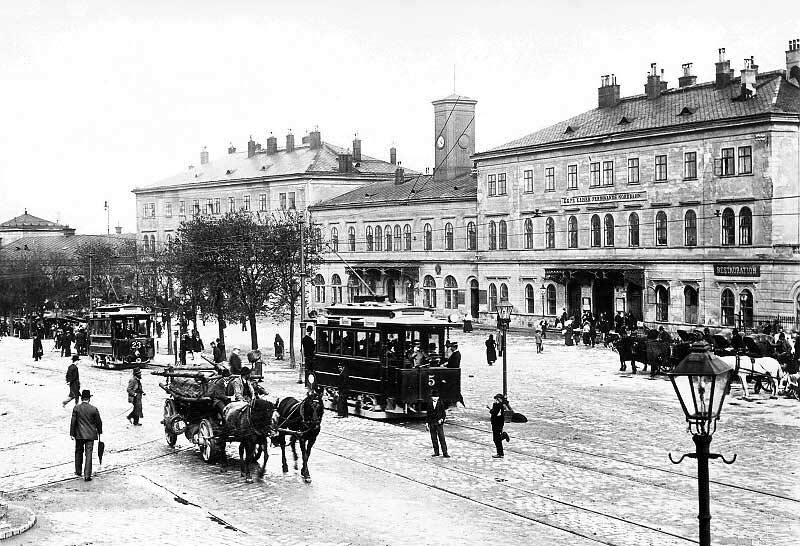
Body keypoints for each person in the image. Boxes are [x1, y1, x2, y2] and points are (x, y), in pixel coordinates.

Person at [70, 389, 102, 481]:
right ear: (89, 398)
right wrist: (99, 432)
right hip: (91, 435)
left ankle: (78, 471)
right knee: (89, 454)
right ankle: (87, 475)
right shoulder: (94, 409)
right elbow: (99, 422)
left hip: (79, 435)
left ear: (81, 398)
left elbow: (73, 422)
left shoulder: (76, 408)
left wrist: (72, 433)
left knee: (78, 452)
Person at [425, 390, 449, 458]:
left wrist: (442, 420)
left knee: (442, 438)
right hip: (432, 423)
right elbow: (428, 414)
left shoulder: (441, 403)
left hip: (439, 424)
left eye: (436, 397)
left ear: (438, 397)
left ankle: (445, 453)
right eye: (434, 397)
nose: (435, 398)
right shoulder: (429, 403)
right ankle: (436, 452)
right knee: (434, 439)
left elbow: (444, 414)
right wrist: (427, 423)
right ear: (432, 397)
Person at [488, 394, 511, 458]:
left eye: (496, 399)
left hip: (496, 423)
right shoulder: (501, 405)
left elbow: (494, 412)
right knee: (496, 439)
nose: (495, 400)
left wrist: (489, 409)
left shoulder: (498, 405)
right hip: (499, 423)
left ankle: (500, 453)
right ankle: (500, 453)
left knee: (496, 439)